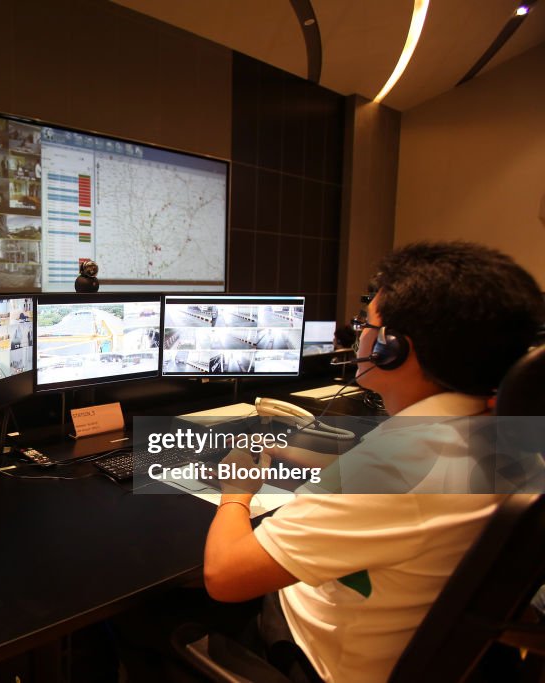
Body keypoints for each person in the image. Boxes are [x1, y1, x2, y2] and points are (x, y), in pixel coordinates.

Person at [197, 241, 545, 682]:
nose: (358, 332)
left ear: (392, 348)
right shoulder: (507, 431)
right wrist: (312, 459)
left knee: (161, 610)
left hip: (319, 657)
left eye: (366, 323)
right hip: (427, 646)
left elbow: (225, 577)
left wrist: (236, 491)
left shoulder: (398, 464)